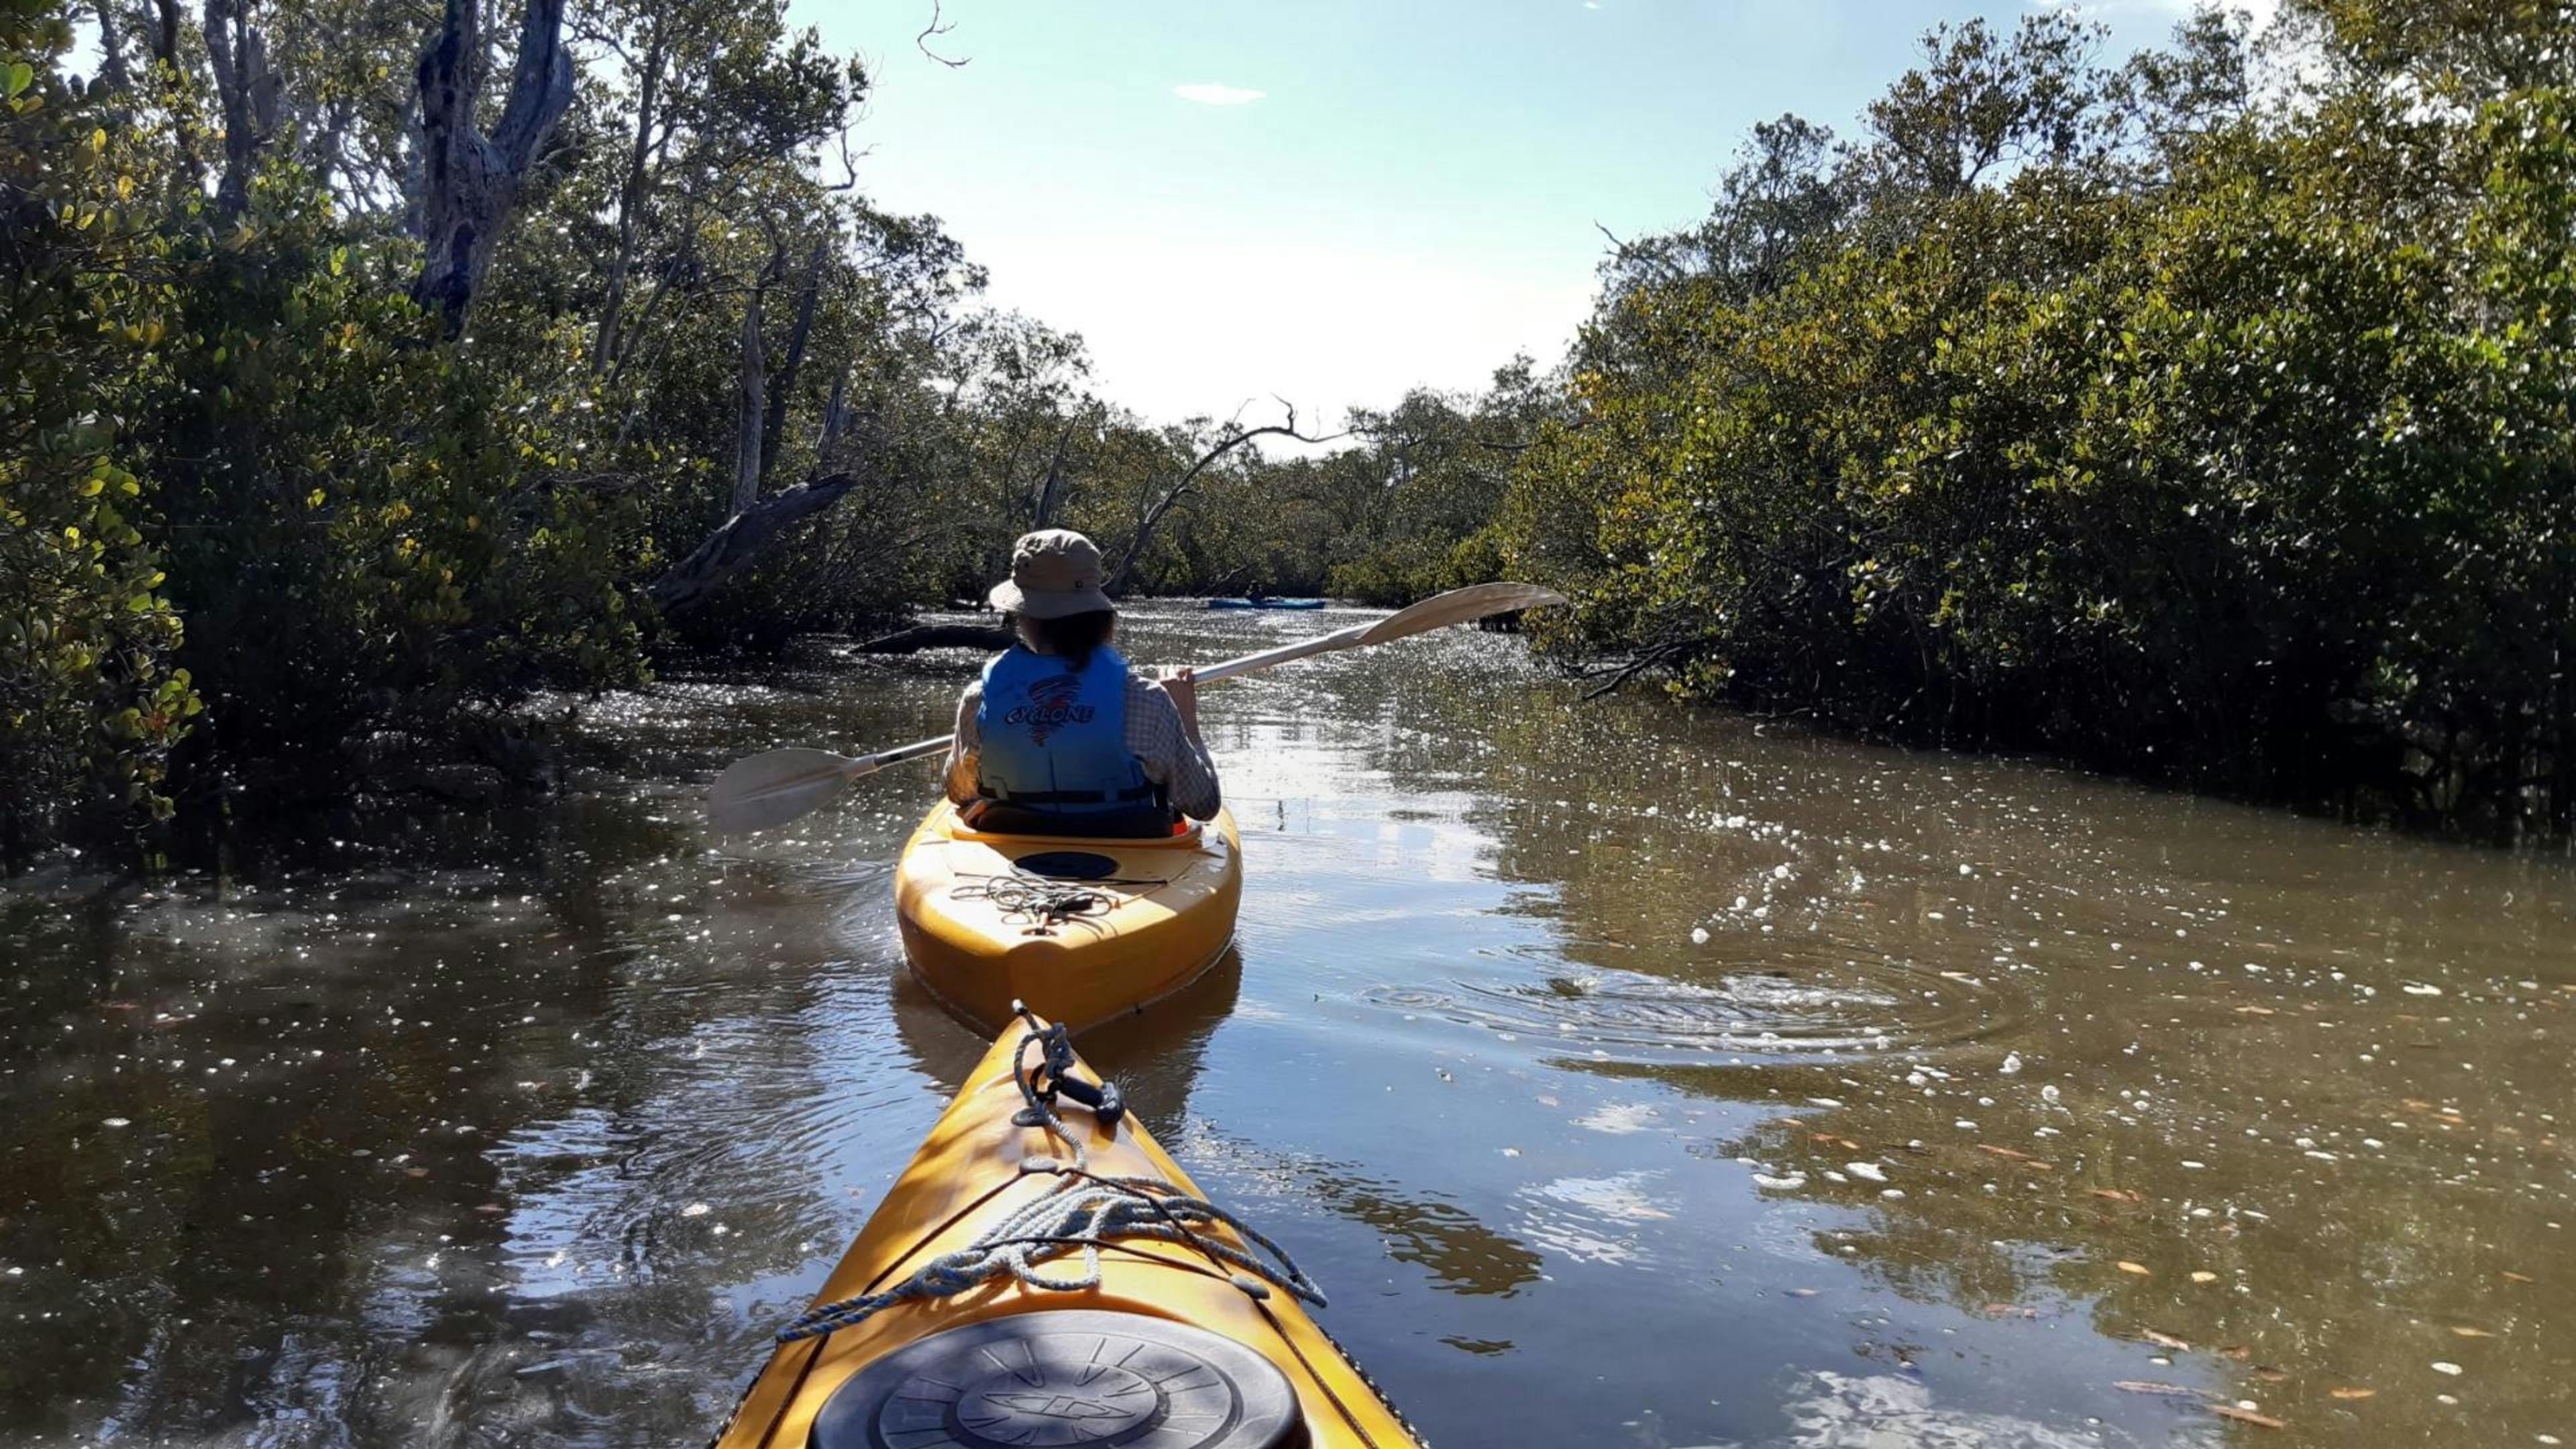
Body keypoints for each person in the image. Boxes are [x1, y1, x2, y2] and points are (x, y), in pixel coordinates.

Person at [943, 529, 1220, 837]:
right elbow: (1204, 805)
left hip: (1017, 852)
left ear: (1023, 614)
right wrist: (1187, 720)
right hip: (1131, 865)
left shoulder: (980, 698)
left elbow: (959, 793)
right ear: (1098, 614)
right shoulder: (1147, 700)